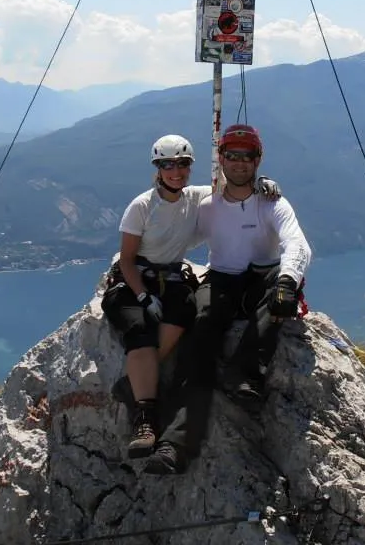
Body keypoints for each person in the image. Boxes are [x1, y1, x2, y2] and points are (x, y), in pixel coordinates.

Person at [101, 134, 282, 460]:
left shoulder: (195, 197)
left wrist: (263, 183)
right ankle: (145, 418)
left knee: (187, 312)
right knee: (140, 332)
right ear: (157, 168)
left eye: (182, 164)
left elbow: (233, 186)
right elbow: (126, 260)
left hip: (170, 280)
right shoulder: (141, 206)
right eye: (167, 165)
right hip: (134, 280)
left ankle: (134, 382)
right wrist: (142, 297)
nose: (176, 172)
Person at [144, 123, 312, 475]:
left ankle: (244, 375)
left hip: (263, 276)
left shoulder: (272, 202)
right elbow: (174, 231)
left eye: (246, 155)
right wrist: (136, 262)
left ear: (258, 159)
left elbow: (296, 243)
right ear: (220, 159)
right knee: (200, 332)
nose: (239, 162)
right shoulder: (207, 204)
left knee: (281, 294)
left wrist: (287, 279)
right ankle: (175, 444)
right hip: (220, 278)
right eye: (231, 155)